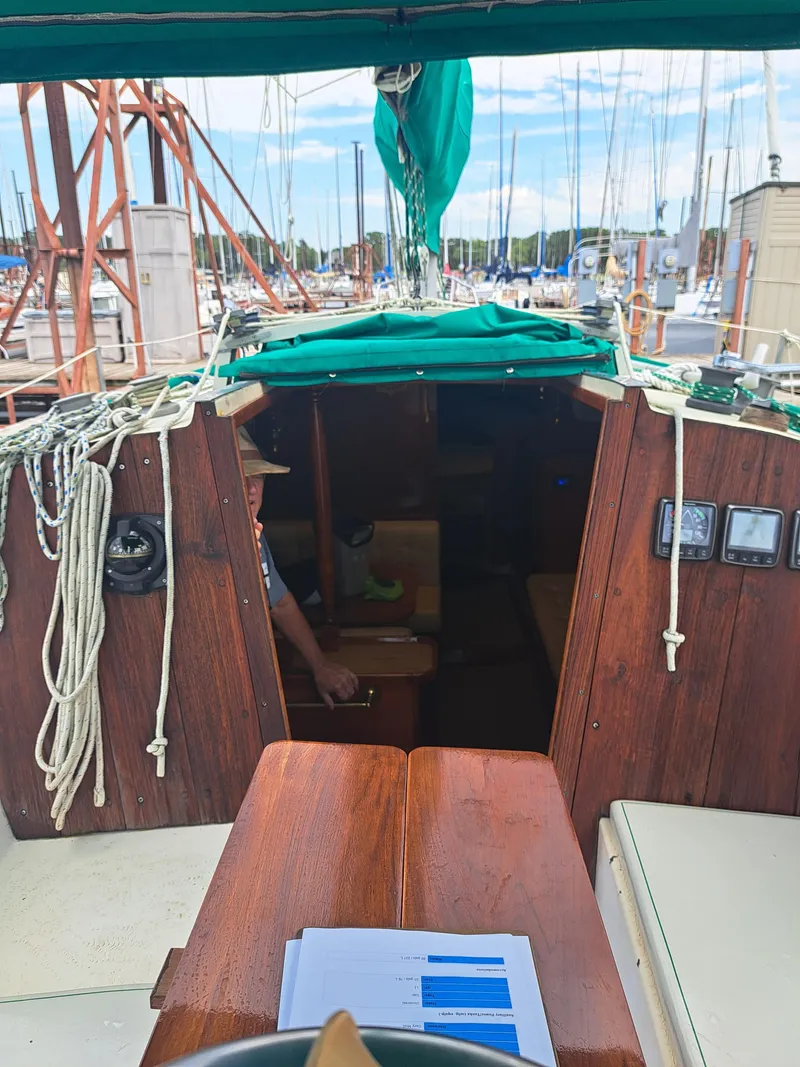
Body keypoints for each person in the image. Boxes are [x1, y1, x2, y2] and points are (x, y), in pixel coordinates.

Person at [238, 428, 358, 709]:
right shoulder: (210, 541)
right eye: (241, 475)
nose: (253, 487)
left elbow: (279, 602)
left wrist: (320, 665)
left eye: (258, 476)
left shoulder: (254, 530)